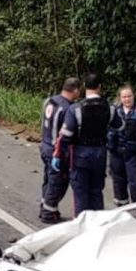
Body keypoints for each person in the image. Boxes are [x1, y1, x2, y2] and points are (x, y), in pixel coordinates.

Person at [52, 73, 124, 215]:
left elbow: (64, 136)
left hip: (81, 155)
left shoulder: (76, 109)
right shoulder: (110, 108)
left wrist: (58, 155)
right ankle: (97, 227)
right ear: (100, 87)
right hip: (100, 154)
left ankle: (81, 227)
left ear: (84, 87)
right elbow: (120, 126)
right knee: (97, 191)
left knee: (80, 193)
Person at [38, 78, 80, 223]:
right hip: (56, 150)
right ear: (75, 90)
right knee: (57, 182)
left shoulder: (50, 101)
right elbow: (66, 133)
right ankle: (48, 212)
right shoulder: (68, 108)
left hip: (45, 145)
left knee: (48, 179)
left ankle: (45, 207)